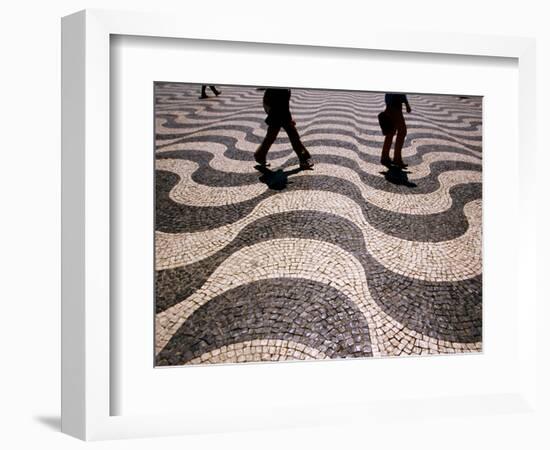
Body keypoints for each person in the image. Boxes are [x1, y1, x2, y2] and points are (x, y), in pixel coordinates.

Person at [254, 88, 314, 170]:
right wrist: (288, 120)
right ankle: (304, 159)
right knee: (293, 137)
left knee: (272, 136)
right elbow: (281, 104)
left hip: (278, 113)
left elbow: (280, 103)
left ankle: (260, 155)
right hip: (278, 113)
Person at [379, 93, 411, 168]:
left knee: (391, 132)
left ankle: (385, 157)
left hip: (392, 104)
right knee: (402, 131)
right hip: (395, 105)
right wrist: (406, 103)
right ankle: (397, 158)